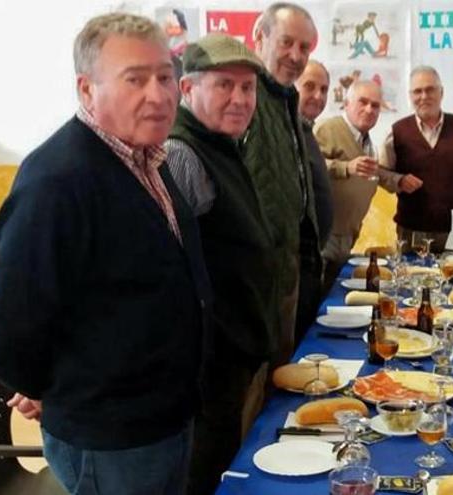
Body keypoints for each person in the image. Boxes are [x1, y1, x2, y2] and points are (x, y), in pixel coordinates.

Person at [0, 13, 211, 494]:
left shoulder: (149, 158)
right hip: (112, 442)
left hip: (165, 421)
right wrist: (59, 391)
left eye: (166, 77)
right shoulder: (58, 182)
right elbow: (5, 333)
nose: (159, 94)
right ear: (87, 90)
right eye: (135, 80)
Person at [164, 33, 272, 495]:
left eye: (247, 88)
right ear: (188, 90)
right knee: (205, 474)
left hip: (230, 353)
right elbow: (168, 270)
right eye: (224, 85)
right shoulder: (182, 153)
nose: (240, 98)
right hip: (207, 365)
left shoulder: (221, 143)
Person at [248, 2, 319, 365]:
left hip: (287, 270)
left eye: (304, 48)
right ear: (259, 37)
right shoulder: (246, 97)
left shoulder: (286, 98)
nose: (296, 55)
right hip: (256, 279)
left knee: (278, 378)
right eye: (287, 42)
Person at [380, 65, 453, 253]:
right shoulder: (396, 132)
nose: (424, 96)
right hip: (411, 232)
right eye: (417, 91)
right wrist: (399, 181)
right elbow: (381, 172)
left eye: (430, 89)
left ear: (442, 92)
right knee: (410, 281)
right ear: (410, 96)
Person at [315, 80, 384, 288]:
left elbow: (374, 173)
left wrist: (399, 181)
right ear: (346, 103)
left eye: (375, 105)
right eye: (362, 102)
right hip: (324, 238)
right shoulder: (328, 129)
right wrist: (345, 167)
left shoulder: (368, 142)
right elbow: (309, 167)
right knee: (317, 304)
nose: (369, 109)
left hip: (347, 237)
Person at [294, 59, 333, 342]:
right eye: (309, 86)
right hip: (292, 269)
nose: (318, 96)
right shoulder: (288, 131)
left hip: (309, 263)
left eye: (324, 89)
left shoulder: (305, 130)